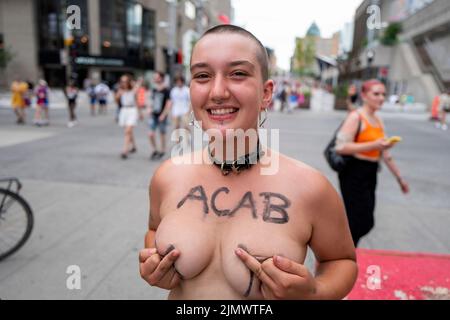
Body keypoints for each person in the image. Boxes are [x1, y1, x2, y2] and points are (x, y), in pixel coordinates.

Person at [139, 25, 357, 300]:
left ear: (266, 93)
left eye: (238, 74)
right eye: (203, 76)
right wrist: (156, 267)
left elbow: (341, 261)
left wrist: (315, 292)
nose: (217, 92)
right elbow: (154, 230)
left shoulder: (311, 187)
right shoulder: (167, 176)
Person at [335, 79, 410, 247]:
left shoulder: (378, 120)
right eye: (376, 94)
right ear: (364, 95)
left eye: (383, 94)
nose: (381, 97)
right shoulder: (356, 117)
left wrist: (400, 178)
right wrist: (374, 145)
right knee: (359, 221)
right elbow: (340, 146)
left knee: (365, 221)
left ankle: (343, 253)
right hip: (353, 172)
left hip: (370, 172)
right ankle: (341, 255)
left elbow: (385, 153)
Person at [148, 71, 171, 161]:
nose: (155, 78)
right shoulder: (154, 89)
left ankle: (163, 150)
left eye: (156, 77)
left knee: (162, 133)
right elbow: (151, 100)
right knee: (150, 134)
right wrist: (149, 108)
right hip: (154, 114)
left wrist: (164, 114)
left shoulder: (166, 90)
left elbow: (168, 103)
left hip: (162, 115)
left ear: (161, 78)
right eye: (154, 77)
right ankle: (155, 150)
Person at [116, 75, 141, 160]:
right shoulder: (120, 90)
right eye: (122, 81)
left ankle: (125, 150)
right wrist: (118, 95)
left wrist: (140, 113)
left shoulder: (133, 90)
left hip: (132, 110)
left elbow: (137, 99)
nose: (123, 83)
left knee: (127, 131)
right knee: (129, 131)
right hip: (124, 110)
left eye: (125, 81)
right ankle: (134, 146)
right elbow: (116, 100)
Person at [170, 76, 191, 142]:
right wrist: (171, 112)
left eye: (180, 81)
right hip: (176, 111)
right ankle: (177, 140)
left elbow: (190, 101)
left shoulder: (187, 90)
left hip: (185, 111)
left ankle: (187, 139)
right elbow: (172, 101)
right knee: (176, 127)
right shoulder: (174, 90)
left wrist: (189, 111)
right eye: (177, 81)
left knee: (186, 126)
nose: (179, 83)